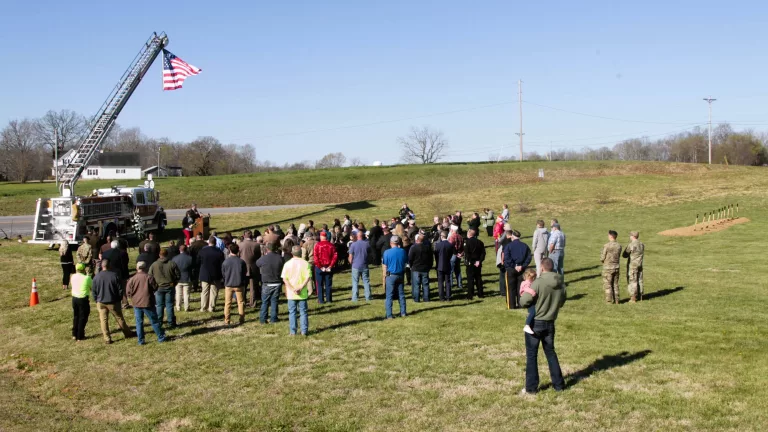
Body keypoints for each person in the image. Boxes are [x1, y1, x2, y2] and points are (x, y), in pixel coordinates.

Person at [520, 257, 566, 394]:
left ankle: (531, 388)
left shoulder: (538, 283)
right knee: (551, 353)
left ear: (542, 267)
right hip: (550, 322)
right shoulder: (561, 283)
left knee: (532, 355)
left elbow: (524, 301)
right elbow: (562, 301)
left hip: (536, 322)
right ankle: (559, 385)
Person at [91, 260, 133, 344]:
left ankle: (107, 338)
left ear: (102, 266)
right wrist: (119, 299)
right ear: (109, 265)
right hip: (113, 301)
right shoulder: (114, 275)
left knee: (103, 320)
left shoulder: (96, 277)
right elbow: (120, 289)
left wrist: (96, 300)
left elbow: (94, 291)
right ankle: (127, 333)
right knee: (119, 318)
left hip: (101, 301)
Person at [126, 261, 166, 345]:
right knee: (154, 321)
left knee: (139, 322)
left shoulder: (132, 279)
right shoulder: (149, 277)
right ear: (145, 268)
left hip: (136, 303)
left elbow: (128, 292)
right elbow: (155, 287)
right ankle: (161, 337)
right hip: (148, 302)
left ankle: (141, 340)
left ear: (137, 268)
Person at [282, 245, 313, 336]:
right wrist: (301, 287)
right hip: (302, 292)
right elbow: (308, 277)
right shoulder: (305, 263)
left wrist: (292, 289)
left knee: (292, 312)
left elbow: (285, 279)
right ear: (301, 253)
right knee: (303, 312)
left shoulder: (287, 264)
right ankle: (304, 331)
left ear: (292, 253)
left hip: (292, 293)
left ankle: (293, 331)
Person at [148, 248, 181, 328]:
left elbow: (150, 276)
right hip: (170, 286)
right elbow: (178, 275)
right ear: (167, 254)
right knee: (169, 305)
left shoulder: (154, 264)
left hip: (159, 287)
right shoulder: (172, 263)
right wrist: (174, 283)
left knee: (159, 305)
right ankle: (171, 323)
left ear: (159, 255)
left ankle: (159, 322)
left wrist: (154, 285)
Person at [502, 230, 532, 309]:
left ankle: (511, 305)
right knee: (520, 288)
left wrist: (514, 266)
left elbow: (507, 258)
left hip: (511, 269)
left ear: (512, 236)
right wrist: (522, 266)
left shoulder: (508, 246)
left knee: (510, 288)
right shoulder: (525, 246)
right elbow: (529, 257)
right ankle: (521, 304)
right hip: (521, 269)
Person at [256, 242, 284, 324]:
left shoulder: (264, 258)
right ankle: (273, 318)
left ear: (266, 249)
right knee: (274, 301)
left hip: (267, 283)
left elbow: (257, 264)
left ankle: (263, 319)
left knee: (265, 302)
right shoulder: (280, 258)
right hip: (277, 282)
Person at [222, 243, 248, 325]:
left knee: (227, 303)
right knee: (240, 302)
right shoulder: (241, 262)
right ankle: (241, 319)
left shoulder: (225, 262)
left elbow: (223, 273)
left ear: (230, 250)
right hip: (239, 284)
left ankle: (227, 320)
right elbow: (244, 272)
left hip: (229, 284)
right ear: (238, 251)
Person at [382, 236, 408, 318]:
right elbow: (405, 263)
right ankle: (403, 312)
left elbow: (385, 266)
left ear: (390, 243)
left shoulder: (386, 252)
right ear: (398, 243)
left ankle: (389, 315)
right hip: (400, 275)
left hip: (390, 275)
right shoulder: (403, 251)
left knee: (389, 296)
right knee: (401, 294)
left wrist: (384, 277)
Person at [198, 237, 225, 312]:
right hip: (216, 274)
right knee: (214, 292)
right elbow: (222, 264)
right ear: (215, 243)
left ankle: (203, 307)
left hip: (204, 273)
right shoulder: (219, 252)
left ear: (208, 242)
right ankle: (211, 307)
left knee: (204, 291)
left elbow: (198, 262)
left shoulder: (202, 251)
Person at [238, 230, 262, 309]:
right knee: (253, 287)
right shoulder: (256, 245)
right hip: (253, 267)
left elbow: (238, 255)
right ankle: (252, 303)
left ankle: (243, 302)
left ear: (244, 235)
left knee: (243, 286)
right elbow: (258, 256)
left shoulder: (240, 245)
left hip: (243, 267)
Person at [313, 232, 338, 304]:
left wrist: (320, 266)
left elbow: (316, 257)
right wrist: (330, 266)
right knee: (328, 284)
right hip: (328, 267)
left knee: (319, 284)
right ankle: (329, 299)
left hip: (319, 267)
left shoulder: (317, 245)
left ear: (321, 236)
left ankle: (321, 300)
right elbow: (335, 256)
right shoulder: (331, 245)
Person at [70, 263, 92, 341]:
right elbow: (92, 287)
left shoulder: (73, 277)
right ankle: (80, 335)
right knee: (83, 317)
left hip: (74, 298)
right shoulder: (87, 278)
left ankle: (74, 334)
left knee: (76, 316)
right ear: (84, 269)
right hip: (83, 299)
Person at [408, 233, 433, 302]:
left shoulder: (413, 247)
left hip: (416, 268)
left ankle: (416, 299)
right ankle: (426, 298)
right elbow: (431, 258)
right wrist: (430, 266)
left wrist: (410, 265)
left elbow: (410, 258)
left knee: (416, 285)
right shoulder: (427, 247)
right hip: (425, 268)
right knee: (425, 284)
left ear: (416, 240)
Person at [348, 231, 371, 302]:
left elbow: (350, 256)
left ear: (357, 236)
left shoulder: (353, 245)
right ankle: (368, 297)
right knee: (366, 281)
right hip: (364, 265)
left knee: (355, 282)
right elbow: (369, 254)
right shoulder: (367, 244)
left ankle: (355, 297)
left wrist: (350, 262)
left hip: (355, 265)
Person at [600, 230, 622, 304]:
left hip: (608, 268)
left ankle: (609, 301)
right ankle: (617, 300)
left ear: (611, 236)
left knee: (608, 285)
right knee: (615, 284)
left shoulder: (606, 245)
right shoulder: (619, 246)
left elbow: (602, 258)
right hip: (616, 267)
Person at [623, 231, 645, 303]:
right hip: (640, 264)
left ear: (632, 236)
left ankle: (633, 298)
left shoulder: (631, 244)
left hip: (633, 265)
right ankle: (641, 295)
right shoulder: (642, 244)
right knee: (640, 280)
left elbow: (625, 255)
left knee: (633, 281)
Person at [463, 229, 486, 300]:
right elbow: (483, 253)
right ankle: (480, 293)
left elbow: (467, 254)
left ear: (469, 234)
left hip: (471, 263)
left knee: (470, 279)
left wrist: (472, 261)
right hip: (478, 263)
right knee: (478, 278)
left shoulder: (467, 243)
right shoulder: (480, 242)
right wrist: (479, 261)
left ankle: (470, 294)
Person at [433, 231, 455, 301]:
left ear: (441, 236)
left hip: (439, 265)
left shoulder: (438, 245)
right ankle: (448, 296)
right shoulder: (450, 245)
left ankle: (441, 297)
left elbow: (436, 255)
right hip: (447, 264)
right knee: (448, 281)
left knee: (440, 282)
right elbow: (451, 254)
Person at [172, 244, 194, 312]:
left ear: (179, 250)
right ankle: (186, 307)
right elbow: (192, 269)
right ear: (186, 250)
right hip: (187, 277)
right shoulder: (190, 258)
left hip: (178, 279)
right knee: (186, 294)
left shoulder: (175, 258)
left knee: (178, 294)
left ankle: (178, 307)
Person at [520, 268, 537, 335]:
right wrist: (532, 292)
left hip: (528, 300)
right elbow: (526, 289)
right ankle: (527, 325)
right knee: (533, 311)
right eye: (532, 277)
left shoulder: (527, 282)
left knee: (531, 311)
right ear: (528, 276)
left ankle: (529, 319)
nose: (533, 279)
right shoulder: (526, 283)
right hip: (528, 299)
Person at [448, 225, 464, 291]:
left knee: (450, 270)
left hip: (453, 255)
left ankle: (451, 284)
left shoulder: (451, 237)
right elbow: (462, 246)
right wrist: (461, 254)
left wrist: (455, 253)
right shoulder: (460, 236)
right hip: (459, 255)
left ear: (452, 230)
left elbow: (450, 247)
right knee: (458, 270)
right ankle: (459, 284)